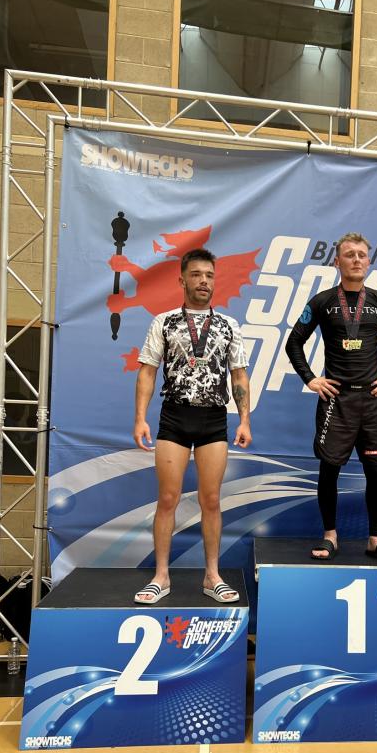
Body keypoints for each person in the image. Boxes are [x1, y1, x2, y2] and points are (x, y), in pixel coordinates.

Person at [132, 247, 251, 604]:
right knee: (168, 498)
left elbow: (239, 376)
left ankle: (212, 576)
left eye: (209, 276)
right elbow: (147, 371)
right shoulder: (164, 322)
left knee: (211, 500)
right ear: (182, 280)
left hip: (213, 418)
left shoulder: (228, 325)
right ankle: (161, 576)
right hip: (175, 417)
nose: (203, 281)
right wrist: (140, 417)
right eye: (196, 275)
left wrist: (245, 420)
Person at [285, 232, 377, 562]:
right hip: (336, 402)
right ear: (337, 262)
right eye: (349, 254)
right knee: (329, 469)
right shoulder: (323, 301)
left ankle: (375, 539)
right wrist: (311, 379)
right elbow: (293, 342)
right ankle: (330, 536)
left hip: (372, 401)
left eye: (361, 255)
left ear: (368, 262)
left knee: (376, 471)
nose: (356, 259)